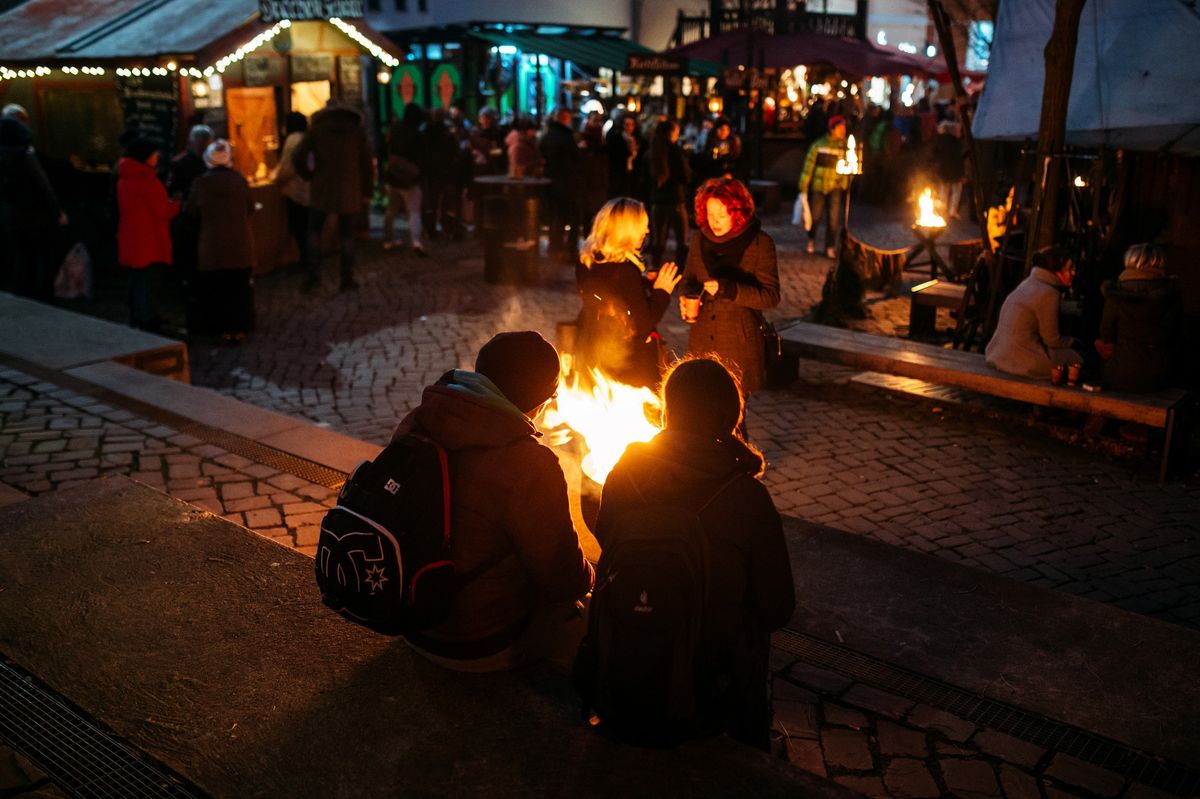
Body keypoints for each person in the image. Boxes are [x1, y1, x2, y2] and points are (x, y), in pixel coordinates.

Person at [591, 356, 795, 750]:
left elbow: (610, 544)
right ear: (731, 417)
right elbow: (777, 608)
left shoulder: (624, 472)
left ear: (667, 411)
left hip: (625, 666)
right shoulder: (747, 497)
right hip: (711, 691)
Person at [396, 331, 595, 672]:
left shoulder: (419, 418)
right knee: (591, 612)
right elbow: (563, 579)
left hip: (409, 620)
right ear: (542, 401)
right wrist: (595, 573)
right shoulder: (530, 464)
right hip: (475, 643)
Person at [680, 178, 781, 396]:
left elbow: (771, 296)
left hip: (738, 345)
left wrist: (731, 290)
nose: (714, 221)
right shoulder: (700, 239)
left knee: (733, 418)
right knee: (699, 413)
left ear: (736, 212)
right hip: (702, 340)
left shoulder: (759, 243)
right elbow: (689, 279)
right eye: (709, 214)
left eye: (721, 215)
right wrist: (688, 296)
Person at [575, 198, 682, 389]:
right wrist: (662, 291)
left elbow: (611, 298)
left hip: (591, 345)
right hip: (624, 362)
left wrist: (642, 282)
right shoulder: (625, 270)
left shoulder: (589, 258)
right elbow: (642, 324)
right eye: (642, 227)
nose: (647, 232)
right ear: (626, 230)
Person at [293, 100, 373, 293]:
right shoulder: (356, 132)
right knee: (347, 234)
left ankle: (313, 277)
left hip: (323, 187)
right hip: (350, 188)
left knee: (313, 231)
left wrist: (309, 176)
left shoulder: (317, 130)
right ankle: (346, 279)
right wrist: (367, 190)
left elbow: (298, 156)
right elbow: (366, 164)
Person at [184, 139, 256, 341]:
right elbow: (250, 208)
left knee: (218, 289)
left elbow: (191, 212)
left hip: (212, 246)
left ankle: (223, 329)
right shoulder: (240, 180)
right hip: (240, 245)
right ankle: (240, 328)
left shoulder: (201, 183)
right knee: (240, 289)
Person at [0, 105, 67, 299]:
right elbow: (44, 186)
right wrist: (57, 212)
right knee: (42, 255)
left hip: (11, 215)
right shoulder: (26, 155)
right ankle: (43, 294)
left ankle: (23, 292)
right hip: (36, 214)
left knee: (22, 256)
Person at [1095, 243, 1181, 392]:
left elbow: (1106, 332)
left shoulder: (1115, 293)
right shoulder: (1171, 294)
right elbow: (1177, 334)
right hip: (1160, 373)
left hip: (1120, 371)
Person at [985, 246, 1080, 379]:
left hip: (1000, 354)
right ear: (1057, 271)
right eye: (1070, 268)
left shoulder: (1029, 283)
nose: (1073, 273)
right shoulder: (1049, 293)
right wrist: (1073, 341)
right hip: (1022, 360)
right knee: (1082, 360)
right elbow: (1052, 340)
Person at [798, 115, 852, 259]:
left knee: (833, 219)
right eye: (840, 128)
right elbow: (808, 167)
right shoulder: (818, 145)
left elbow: (848, 167)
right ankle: (811, 240)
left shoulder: (844, 146)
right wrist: (803, 186)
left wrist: (843, 183)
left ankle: (830, 246)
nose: (843, 131)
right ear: (832, 129)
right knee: (815, 216)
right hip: (819, 186)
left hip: (835, 186)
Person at [382, 104, 427, 256]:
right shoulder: (417, 134)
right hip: (410, 177)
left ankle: (388, 239)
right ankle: (416, 241)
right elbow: (420, 155)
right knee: (414, 210)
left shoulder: (394, 130)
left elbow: (386, 148)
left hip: (394, 174)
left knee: (391, 209)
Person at [539, 107, 583, 261]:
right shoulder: (566, 136)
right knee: (572, 215)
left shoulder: (547, 135)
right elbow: (576, 157)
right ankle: (569, 249)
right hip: (566, 181)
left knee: (555, 216)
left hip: (552, 181)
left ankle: (555, 246)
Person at [648, 118, 692, 270]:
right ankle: (680, 270)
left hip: (657, 200)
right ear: (671, 133)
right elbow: (685, 176)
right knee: (682, 239)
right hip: (675, 199)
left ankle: (654, 268)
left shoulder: (652, 150)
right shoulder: (675, 151)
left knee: (658, 239)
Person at [273, 112, 311, 267]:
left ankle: (305, 259)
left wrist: (277, 178)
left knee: (299, 227)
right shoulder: (307, 138)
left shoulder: (292, 140)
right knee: (308, 226)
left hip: (296, 191)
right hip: (310, 189)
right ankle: (311, 258)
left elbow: (288, 167)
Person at [579, 111, 610, 235]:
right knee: (590, 213)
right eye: (595, 120)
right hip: (589, 182)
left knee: (598, 213)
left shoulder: (602, 143)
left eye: (599, 121)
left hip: (599, 182)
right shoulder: (585, 141)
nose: (598, 124)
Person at [692, 115, 742, 184]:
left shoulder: (733, 142)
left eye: (727, 129)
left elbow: (737, 162)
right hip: (711, 177)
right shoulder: (708, 140)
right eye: (721, 129)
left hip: (728, 178)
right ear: (716, 129)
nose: (724, 132)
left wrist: (731, 174)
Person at [933, 118, 966, 220]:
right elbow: (959, 159)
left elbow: (935, 156)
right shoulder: (956, 142)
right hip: (955, 170)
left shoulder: (939, 141)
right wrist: (962, 173)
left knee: (943, 191)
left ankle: (942, 211)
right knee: (956, 191)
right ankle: (952, 211)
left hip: (943, 170)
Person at [606, 113, 640, 198]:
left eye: (631, 125)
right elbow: (614, 154)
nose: (629, 127)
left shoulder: (637, 139)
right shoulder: (616, 138)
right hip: (619, 171)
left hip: (633, 172)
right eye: (626, 125)